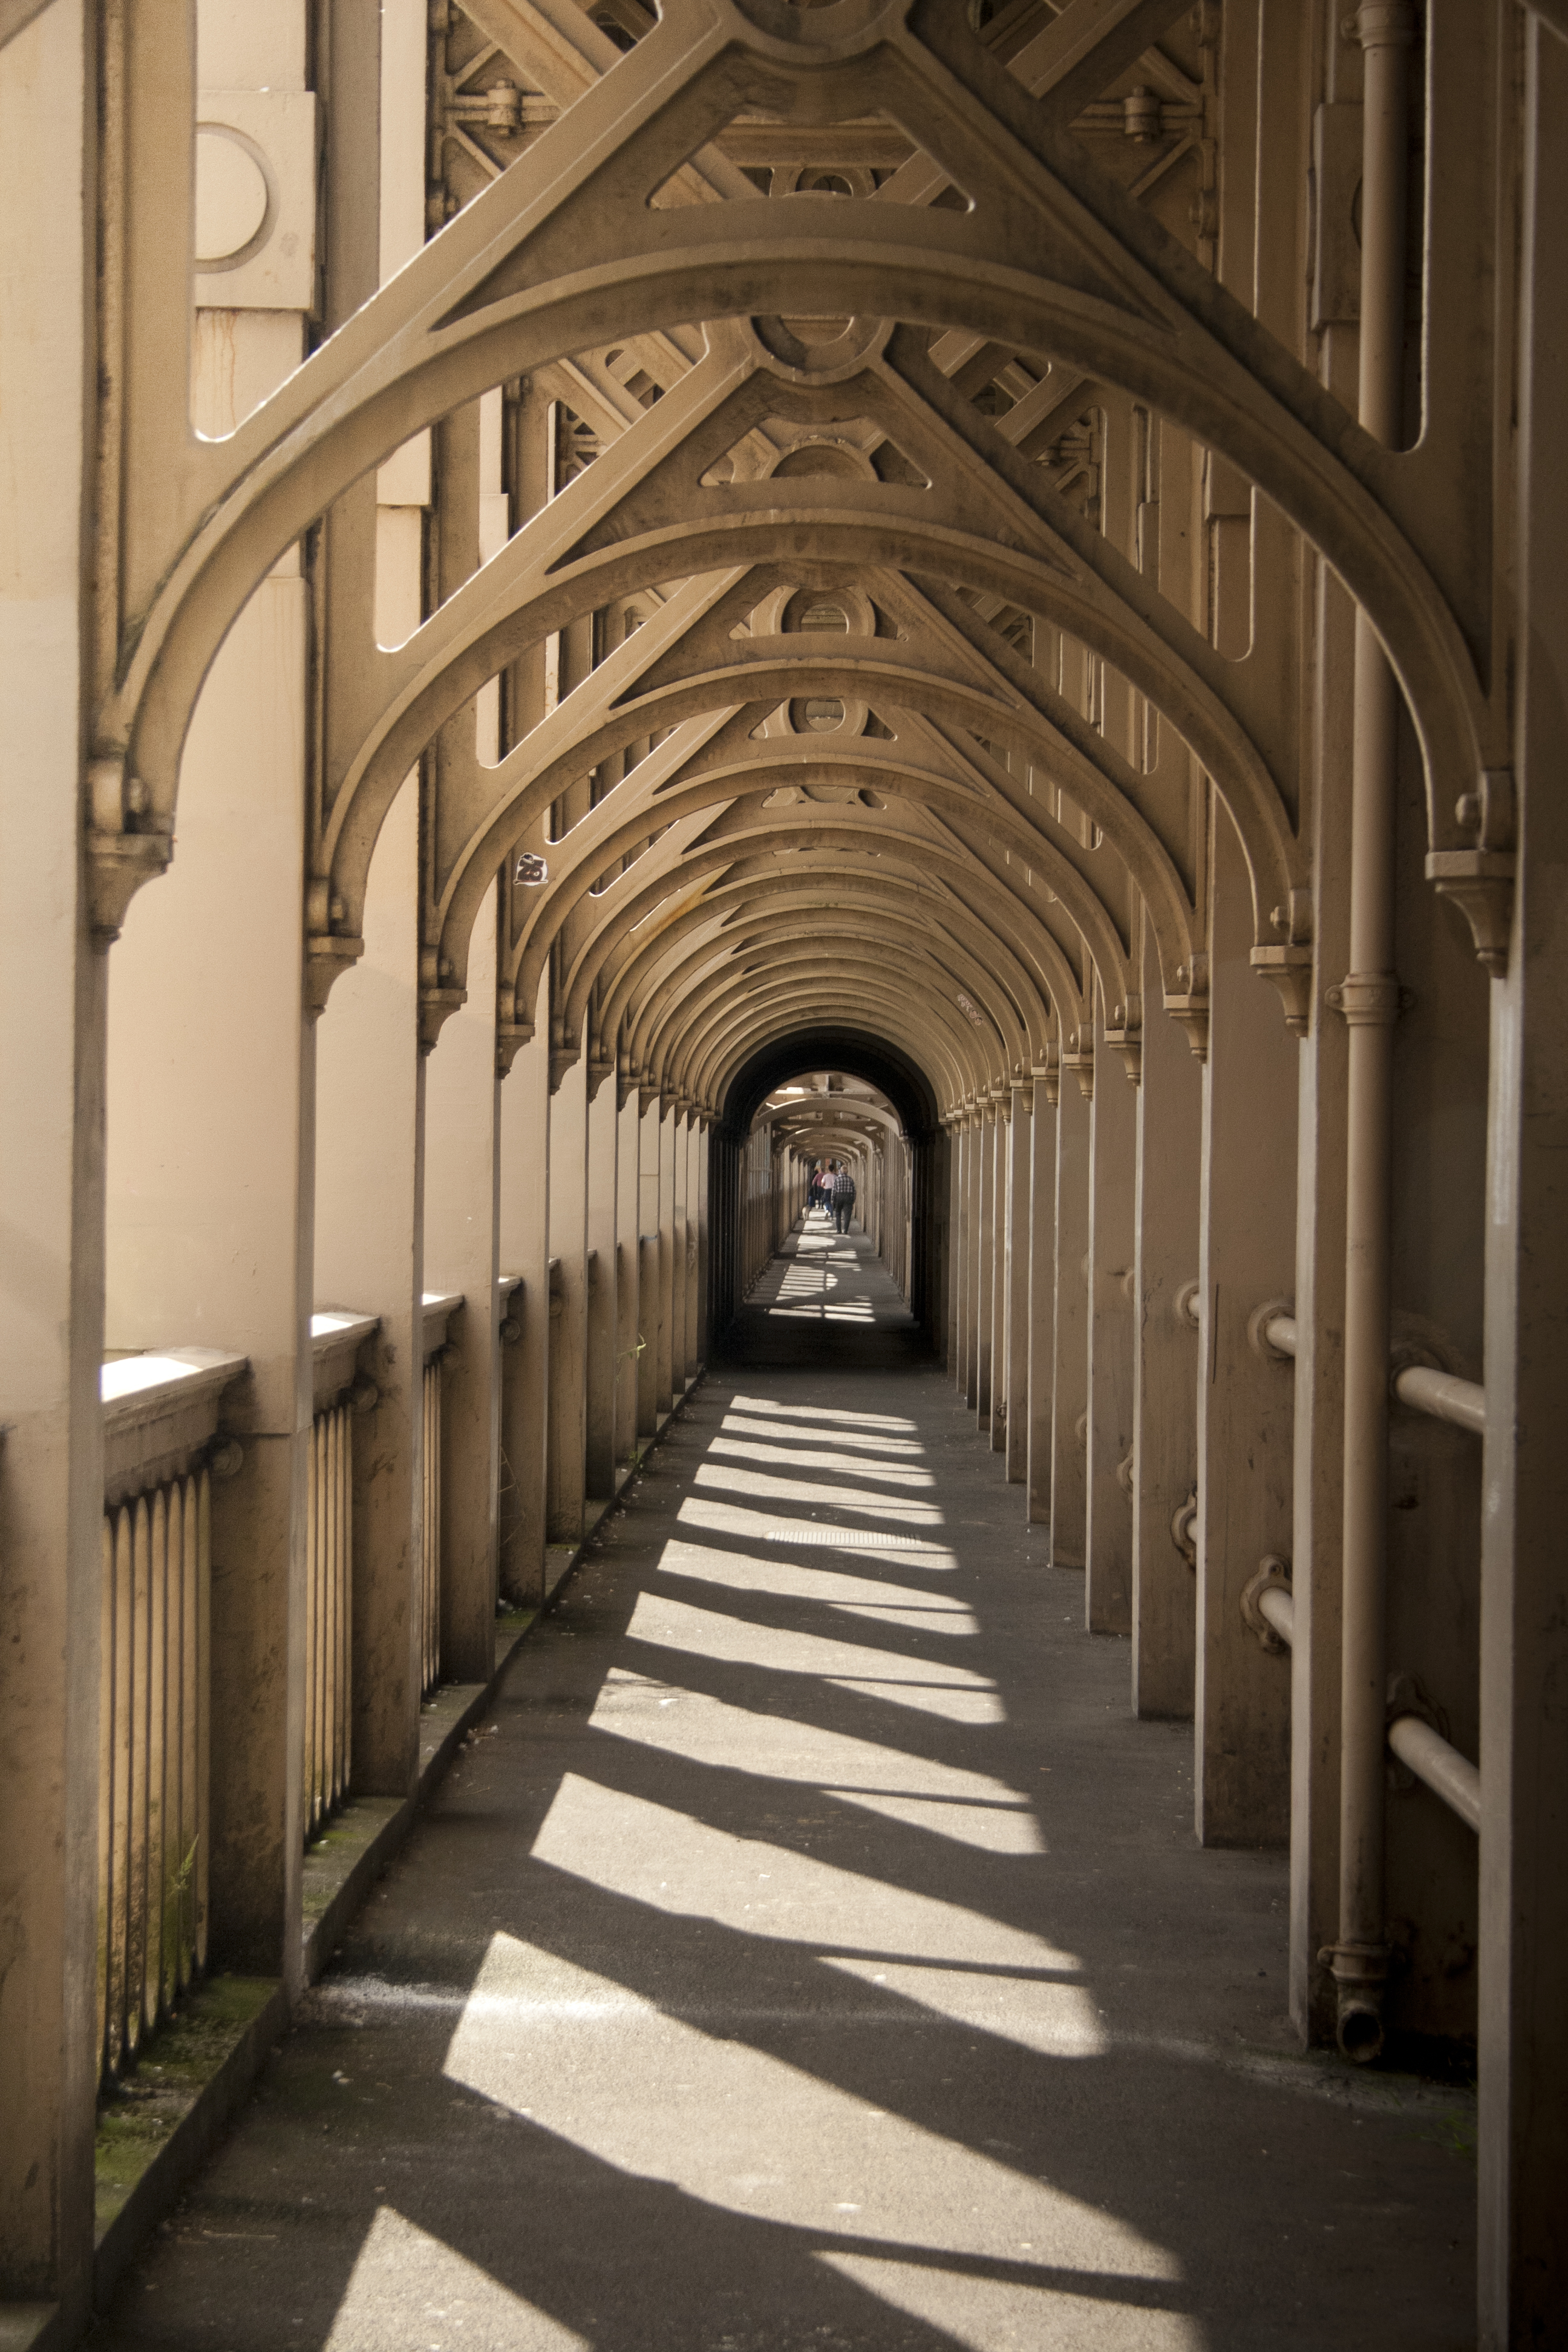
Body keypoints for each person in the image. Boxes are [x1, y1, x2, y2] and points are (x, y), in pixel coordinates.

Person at [831, 1162, 857, 1234]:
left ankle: (839, 1230)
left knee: (838, 1213)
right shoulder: (850, 1179)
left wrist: (833, 1200)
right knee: (847, 1214)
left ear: (840, 1171)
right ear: (847, 1171)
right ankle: (845, 1230)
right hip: (848, 1197)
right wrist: (853, 1200)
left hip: (839, 1197)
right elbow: (854, 1191)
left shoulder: (837, 1179)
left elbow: (834, 1190)